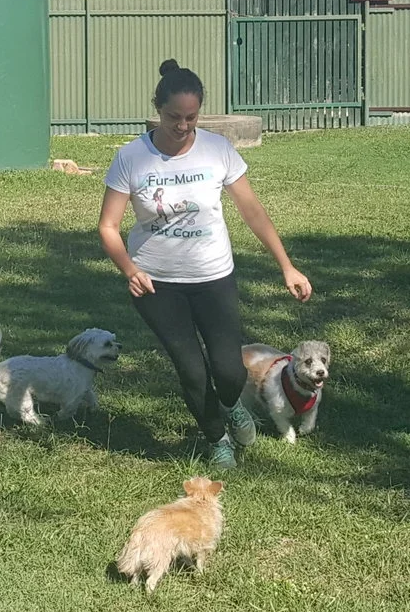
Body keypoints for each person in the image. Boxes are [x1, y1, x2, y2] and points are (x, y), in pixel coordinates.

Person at [99, 59, 312, 469]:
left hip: (214, 277)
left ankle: (231, 406)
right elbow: (108, 226)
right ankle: (217, 439)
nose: (182, 126)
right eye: (173, 117)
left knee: (228, 372)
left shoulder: (218, 150)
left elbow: (252, 210)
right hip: (156, 282)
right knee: (192, 372)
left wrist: (286, 265)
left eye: (191, 117)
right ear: (156, 108)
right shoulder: (130, 158)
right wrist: (130, 269)